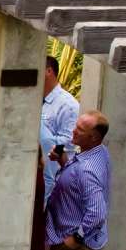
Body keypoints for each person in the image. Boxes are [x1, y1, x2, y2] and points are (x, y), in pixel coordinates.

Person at [44, 110, 112, 250]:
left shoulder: (86, 170)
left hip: (73, 248)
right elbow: (78, 184)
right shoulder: (97, 152)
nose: (74, 131)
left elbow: (97, 212)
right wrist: (63, 162)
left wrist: (76, 239)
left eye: (80, 130)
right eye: (76, 126)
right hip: (61, 235)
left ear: (94, 137)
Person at [40, 54, 81, 194]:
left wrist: (43, 141)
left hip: (53, 178)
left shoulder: (68, 105)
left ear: (48, 71)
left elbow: (69, 142)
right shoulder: (33, 100)